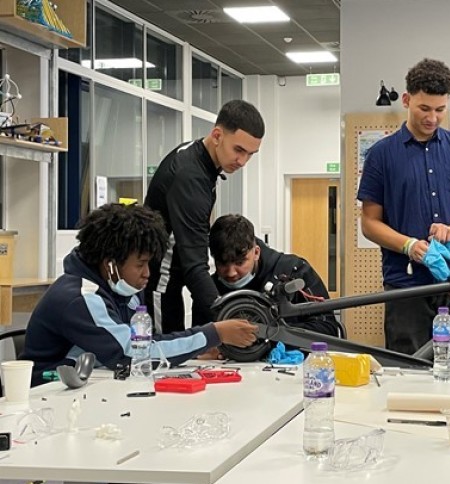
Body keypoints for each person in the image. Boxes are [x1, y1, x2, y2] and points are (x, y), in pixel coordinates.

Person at [22, 204, 258, 386]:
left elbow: (145, 343)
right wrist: (212, 333)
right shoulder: (80, 298)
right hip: (47, 396)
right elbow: (132, 354)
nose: (147, 274)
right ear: (111, 264)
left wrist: (195, 348)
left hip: (88, 386)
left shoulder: (125, 290)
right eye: (141, 265)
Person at [357, 58, 450, 355]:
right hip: (406, 283)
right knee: (408, 365)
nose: (432, 118)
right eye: (424, 109)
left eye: (440, 110)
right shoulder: (381, 155)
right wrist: (407, 245)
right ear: (406, 100)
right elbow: (369, 223)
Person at [145, 100, 265, 334]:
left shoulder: (199, 159)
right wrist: (226, 320)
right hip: (159, 283)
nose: (243, 162)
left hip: (170, 281)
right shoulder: (190, 178)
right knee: (163, 359)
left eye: (251, 154)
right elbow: (195, 266)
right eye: (238, 150)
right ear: (217, 135)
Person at [192, 214, 340, 338]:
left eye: (239, 262)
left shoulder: (294, 272)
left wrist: (271, 335)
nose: (231, 272)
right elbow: (198, 338)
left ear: (256, 252)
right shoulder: (208, 290)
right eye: (222, 263)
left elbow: (328, 328)